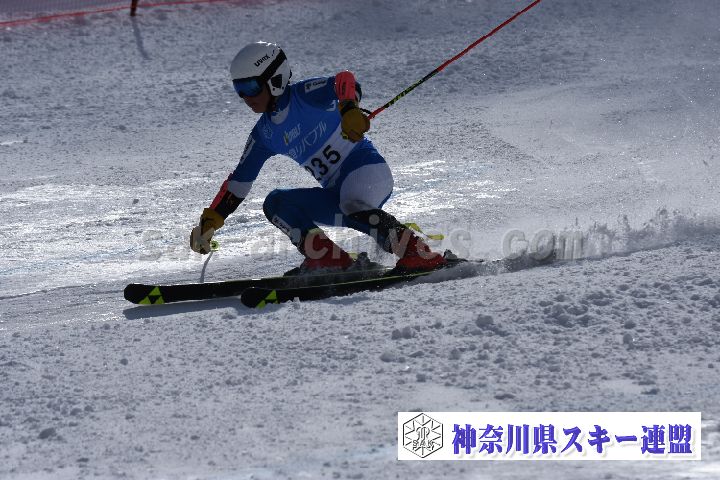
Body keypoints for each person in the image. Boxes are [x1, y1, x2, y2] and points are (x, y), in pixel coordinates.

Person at [190, 41, 447, 273]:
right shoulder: (263, 135)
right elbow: (239, 182)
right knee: (276, 203)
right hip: (336, 193)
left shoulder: (304, 95)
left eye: (250, 87)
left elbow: (345, 81)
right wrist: (211, 220)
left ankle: (418, 252)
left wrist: (349, 109)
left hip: (367, 171)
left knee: (352, 204)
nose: (246, 97)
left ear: (274, 79)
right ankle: (329, 259)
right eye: (239, 89)